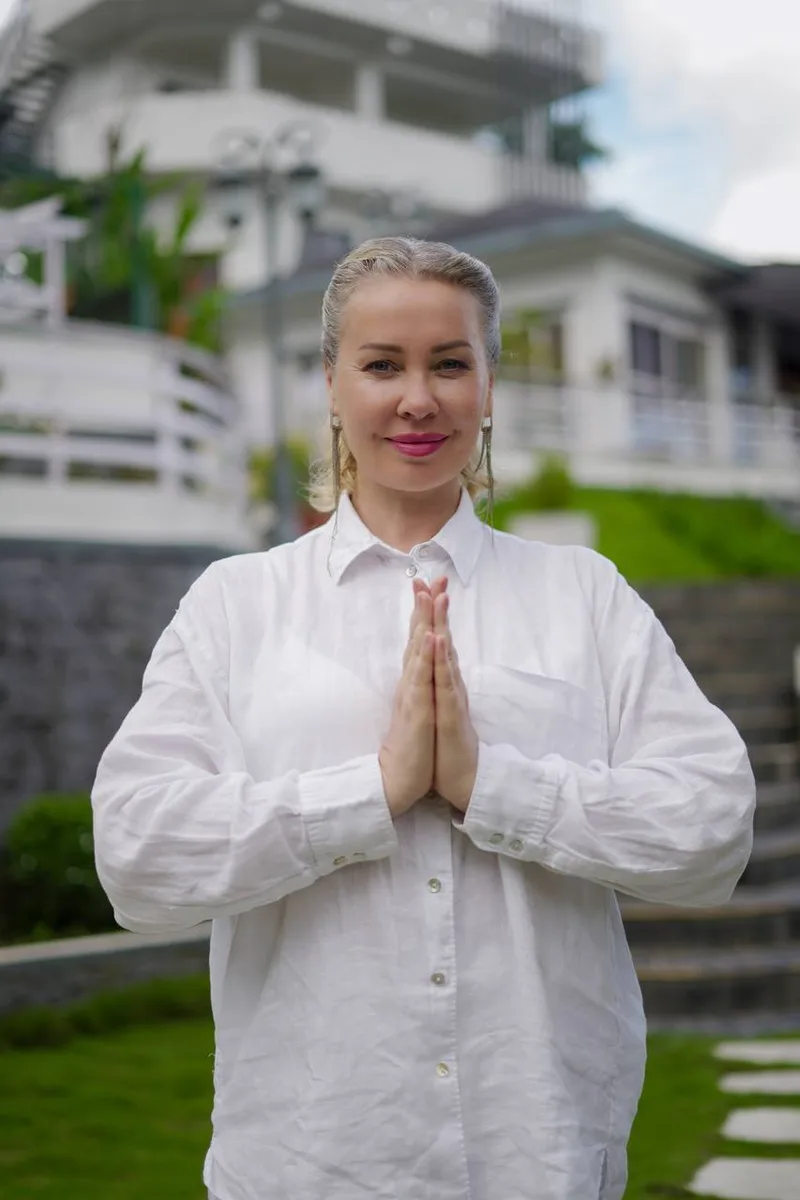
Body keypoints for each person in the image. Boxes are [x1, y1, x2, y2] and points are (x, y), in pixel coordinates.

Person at [91, 237, 756, 1200]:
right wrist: (374, 792)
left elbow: (712, 830)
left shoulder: (584, 595)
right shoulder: (236, 605)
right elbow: (136, 855)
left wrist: (494, 788)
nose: (417, 399)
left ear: (488, 386)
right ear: (331, 383)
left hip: (541, 1154)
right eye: (381, 366)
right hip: (309, 1161)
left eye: (449, 363)